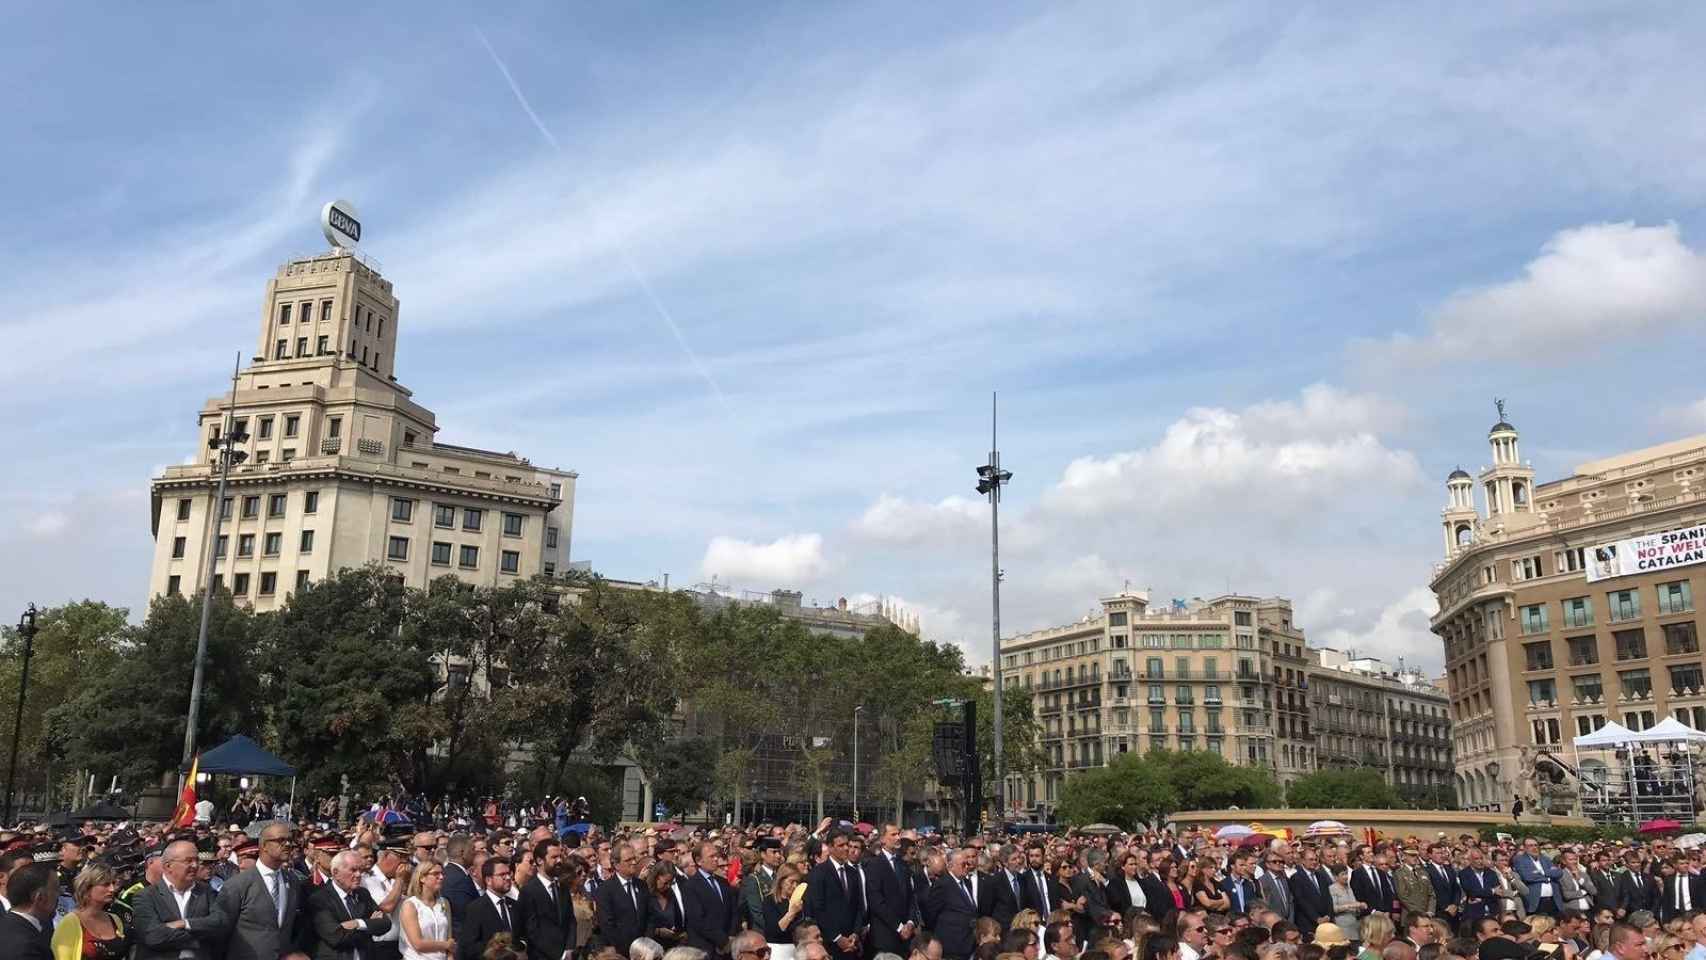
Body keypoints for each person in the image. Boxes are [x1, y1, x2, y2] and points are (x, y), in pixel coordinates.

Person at [219, 822, 307, 960]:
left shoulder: (293, 880)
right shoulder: (237, 885)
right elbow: (221, 932)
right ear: (264, 846)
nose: (288, 845)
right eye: (281, 840)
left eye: (290, 840)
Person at [132, 838, 228, 960]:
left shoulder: (207, 892)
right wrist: (199, 936)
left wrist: (185, 923)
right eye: (188, 861)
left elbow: (220, 924)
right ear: (168, 866)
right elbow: (153, 936)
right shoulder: (146, 896)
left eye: (197, 860)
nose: (195, 865)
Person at [310, 849, 395, 960]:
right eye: (353, 870)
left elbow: (385, 923)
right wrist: (369, 926)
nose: (359, 874)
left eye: (360, 870)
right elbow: (336, 937)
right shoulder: (320, 899)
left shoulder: (362, 893)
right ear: (336, 873)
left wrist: (358, 923)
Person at [804, 831, 866, 960]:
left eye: (847, 844)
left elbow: (859, 906)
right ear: (830, 847)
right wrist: (837, 937)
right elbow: (818, 908)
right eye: (841, 845)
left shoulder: (852, 873)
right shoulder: (819, 873)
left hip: (851, 943)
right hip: (829, 944)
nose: (846, 848)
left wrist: (855, 933)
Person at [50, 862, 128, 960]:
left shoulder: (115, 920)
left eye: (113, 883)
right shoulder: (70, 922)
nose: (112, 889)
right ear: (87, 887)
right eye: (105, 884)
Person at [520, 839, 575, 960]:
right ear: (540, 860)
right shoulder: (528, 891)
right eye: (554, 857)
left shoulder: (562, 887)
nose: (559, 861)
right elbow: (532, 930)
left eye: (560, 856)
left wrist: (569, 949)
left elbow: (570, 919)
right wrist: (560, 955)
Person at [926, 848, 983, 960]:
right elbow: (931, 915)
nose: (967, 866)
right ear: (950, 866)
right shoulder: (942, 885)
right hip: (952, 945)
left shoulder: (966, 883)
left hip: (970, 943)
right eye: (963, 864)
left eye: (967, 864)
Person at [596, 844, 651, 956]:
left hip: (645, 949)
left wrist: (646, 943)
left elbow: (649, 915)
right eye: (628, 860)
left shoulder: (642, 885)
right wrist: (625, 950)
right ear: (616, 865)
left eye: (634, 858)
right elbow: (607, 925)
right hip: (622, 952)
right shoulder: (605, 890)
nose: (634, 862)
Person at [458, 858, 518, 960]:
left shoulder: (515, 905)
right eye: (502, 875)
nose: (508, 877)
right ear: (488, 880)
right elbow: (468, 947)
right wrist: (495, 948)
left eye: (509, 873)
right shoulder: (476, 908)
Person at [685, 842, 738, 956]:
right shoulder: (691, 886)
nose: (716, 859)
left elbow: (733, 911)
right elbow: (698, 920)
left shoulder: (723, 882)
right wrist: (722, 941)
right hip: (705, 948)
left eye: (716, 856)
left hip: (727, 947)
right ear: (699, 861)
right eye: (711, 856)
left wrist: (731, 936)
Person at [4, 862, 61, 960]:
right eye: (55, 889)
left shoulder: (7, 926)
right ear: (39, 897)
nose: (59, 894)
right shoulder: (27, 947)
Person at [399, 860, 455, 960]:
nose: (441, 877)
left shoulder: (444, 902)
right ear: (422, 878)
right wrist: (445, 945)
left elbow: (449, 937)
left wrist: (450, 956)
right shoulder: (410, 905)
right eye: (435, 874)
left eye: (442, 873)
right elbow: (418, 944)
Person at [762, 865, 805, 960]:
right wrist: (791, 913)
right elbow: (775, 930)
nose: (795, 886)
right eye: (791, 881)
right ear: (781, 881)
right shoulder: (770, 901)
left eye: (797, 882)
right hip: (778, 949)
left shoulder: (799, 900)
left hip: (797, 948)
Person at [645, 863, 687, 947]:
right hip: (650, 946)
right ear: (655, 878)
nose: (668, 886)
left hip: (671, 945)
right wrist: (657, 931)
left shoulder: (670, 894)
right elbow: (640, 924)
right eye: (665, 883)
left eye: (671, 883)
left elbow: (678, 920)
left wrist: (680, 935)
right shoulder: (644, 894)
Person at [1327, 866, 1364, 945]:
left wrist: (1360, 906)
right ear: (1336, 877)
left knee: (1360, 951)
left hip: (1355, 926)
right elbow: (1334, 908)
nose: (1346, 877)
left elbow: (1354, 903)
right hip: (1342, 927)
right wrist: (1350, 906)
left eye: (1346, 874)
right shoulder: (1332, 889)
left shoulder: (1349, 888)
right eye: (1343, 874)